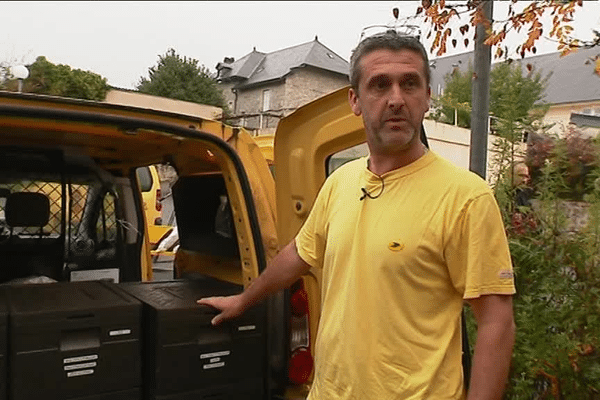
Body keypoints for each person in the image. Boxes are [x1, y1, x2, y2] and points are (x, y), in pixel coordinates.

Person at [198, 31, 516, 400]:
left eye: (410, 84)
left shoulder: (466, 197)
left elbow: (496, 323)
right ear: (355, 100)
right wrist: (243, 300)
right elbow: (298, 254)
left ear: (427, 97)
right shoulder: (341, 181)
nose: (396, 99)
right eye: (380, 85)